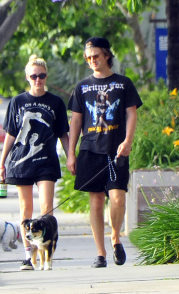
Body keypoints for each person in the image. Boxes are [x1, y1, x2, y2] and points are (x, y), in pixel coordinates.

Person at [67, 37, 143, 268]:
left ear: (107, 55)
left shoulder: (123, 83)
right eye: (88, 58)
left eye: (96, 56)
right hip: (90, 149)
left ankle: (115, 237)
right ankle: (100, 254)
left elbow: (131, 114)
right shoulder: (82, 87)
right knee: (96, 202)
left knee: (118, 198)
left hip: (117, 150)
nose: (92, 61)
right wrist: (71, 153)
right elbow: (76, 121)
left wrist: (128, 141)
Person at [0, 55, 69, 270]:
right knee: (25, 207)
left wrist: (71, 156)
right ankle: (29, 256)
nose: (38, 79)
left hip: (47, 161)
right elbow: (10, 133)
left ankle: (46, 254)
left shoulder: (55, 102)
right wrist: (2, 162)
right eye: (34, 76)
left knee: (47, 209)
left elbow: (63, 134)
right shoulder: (18, 102)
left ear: (46, 76)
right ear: (27, 77)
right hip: (22, 161)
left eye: (42, 76)